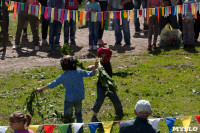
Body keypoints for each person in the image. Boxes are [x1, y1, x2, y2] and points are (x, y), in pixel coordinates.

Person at [36, 55, 98, 133]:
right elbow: (92, 74)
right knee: (79, 114)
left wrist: (40, 89)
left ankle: (68, 131)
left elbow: (52, 84)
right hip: (79, 98)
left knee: (67, 118)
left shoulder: (62, 76)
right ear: (74, 63)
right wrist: (95, 66)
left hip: (69, 99)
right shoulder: (79, 72)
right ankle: (80, 131)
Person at [90, 47, 123, 122]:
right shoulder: (98, 64)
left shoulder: (107, 64)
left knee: (116, 100)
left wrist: (95, 66)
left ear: (108, 57)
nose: (103, 58)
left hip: (109, 86)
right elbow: (92, 70)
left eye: (105, 56)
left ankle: (119, 113)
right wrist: (94, 66)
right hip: (100, 86)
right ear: (99, 56)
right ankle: (94, 116)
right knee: (99, 100)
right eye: (102, 56)